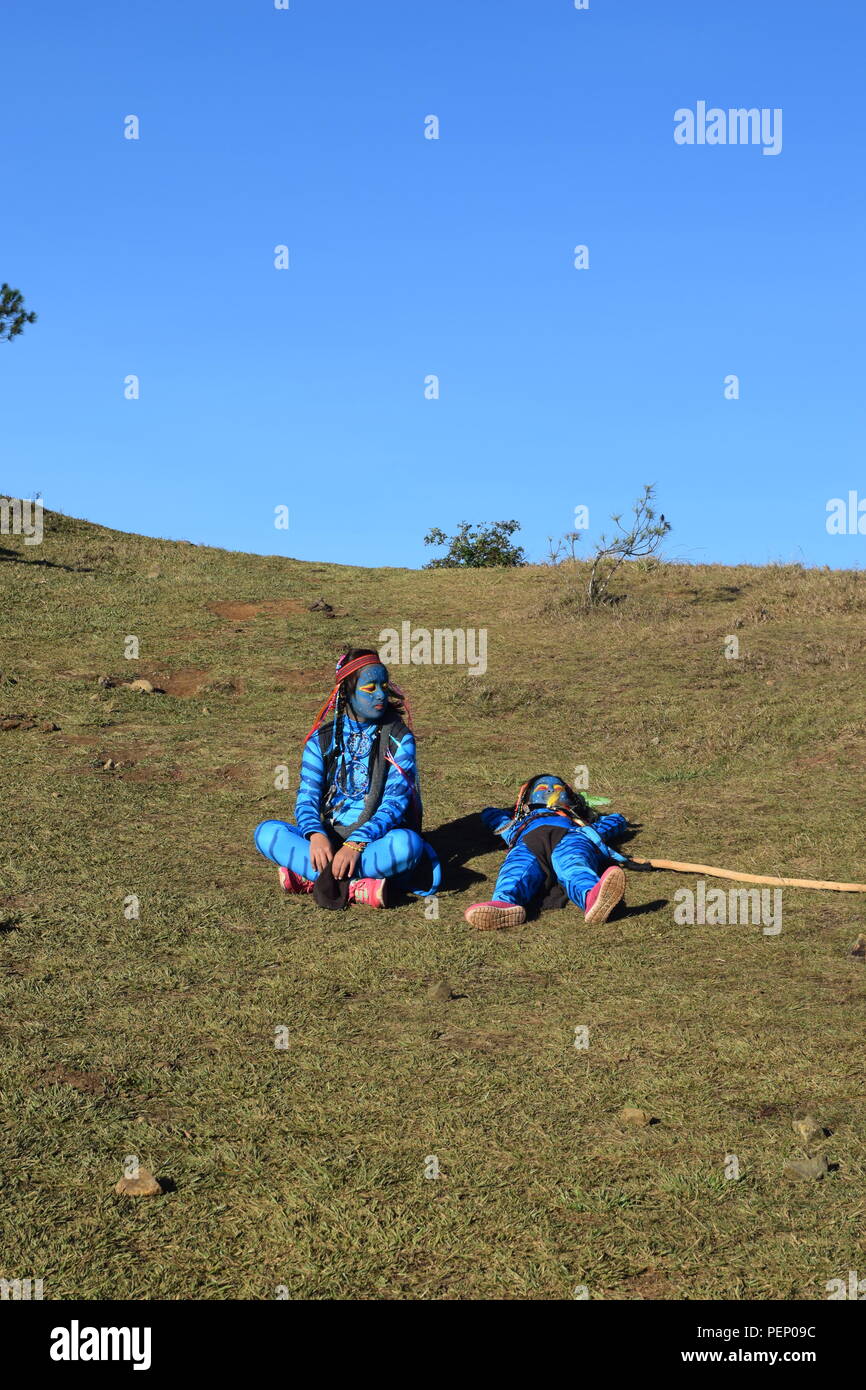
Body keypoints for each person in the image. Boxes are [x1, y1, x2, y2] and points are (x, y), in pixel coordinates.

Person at [254, 648, 438, 908]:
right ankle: (358, 887)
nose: (380, 695)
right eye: (369, 687)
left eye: (384, 686)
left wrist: (356, 844)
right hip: (328, 841)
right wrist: (315, 835)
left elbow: (395, 805)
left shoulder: (399, 738)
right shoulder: (322, 740)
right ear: (346, 692)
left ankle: (314, 877)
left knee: (407, 845)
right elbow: (307, 798)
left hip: (375, 841)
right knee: (266, 833)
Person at [464, 773, 630, 930]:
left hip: (570, 837)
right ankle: (503, 905)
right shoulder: (515, 824)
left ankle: (592, 898)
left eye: (558, 789)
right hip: (528, 840)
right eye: (542, 788)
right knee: (516, 869)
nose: (551, 790)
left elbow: (617, 820)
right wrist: (517, 811)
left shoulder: (578, 821)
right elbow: (490, 814)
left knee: (573, 866)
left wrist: (588, 814)